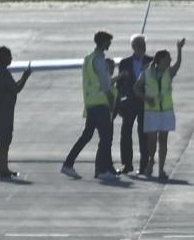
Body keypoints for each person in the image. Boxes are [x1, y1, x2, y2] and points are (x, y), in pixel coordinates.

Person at [62, 31, 117, 181]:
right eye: (109, 41)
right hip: (100, 104)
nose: (110, 44)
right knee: (106, 138)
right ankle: (101, 170)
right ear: (103, 42)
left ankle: (68, 164)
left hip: (90, 104)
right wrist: (111, 100)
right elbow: (105, 83)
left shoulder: (88, 59)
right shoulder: (99, 59)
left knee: (86, 136)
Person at [135, 41, 185, 180]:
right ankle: (151, 160)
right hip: (152, 111)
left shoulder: (169, 73)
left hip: (166, 112)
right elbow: (136, 88)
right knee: (151, 141)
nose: (170, 60)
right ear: (161, 60)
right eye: (168, 58)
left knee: (163, 140)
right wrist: (145, 98)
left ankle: (161, 169)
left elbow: (178, 65)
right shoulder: (147, 73)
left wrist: (179, 49)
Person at [0, 46, 32, 179]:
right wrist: (25, 77)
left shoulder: (1, 72)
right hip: (3, 114)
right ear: (3, 58)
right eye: (9, 56)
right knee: (4, 142)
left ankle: (3, 168)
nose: (11, 58)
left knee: (4, 142)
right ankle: (1, 170)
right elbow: (16, 89)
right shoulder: (3, 72)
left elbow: (13, 87)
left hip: (3, 113)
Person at [116, 34, 152, 175]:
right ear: (133, 47)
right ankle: (127, 164)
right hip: (130, 103)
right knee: (125, 133)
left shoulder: (151, 61)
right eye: (138, 46)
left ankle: (144, 165)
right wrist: (117, 103)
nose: (141, 48)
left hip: (145, 102)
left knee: (144, 135)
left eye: (143, 45)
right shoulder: (125, 63)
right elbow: (120, 85)